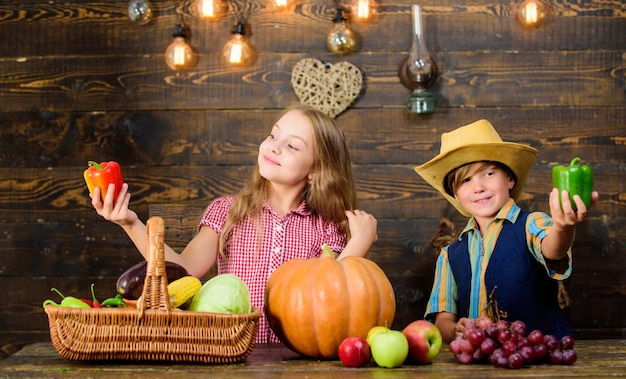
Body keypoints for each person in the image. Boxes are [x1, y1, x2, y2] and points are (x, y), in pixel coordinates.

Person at [90, 104, 378, 343]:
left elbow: (335, 298)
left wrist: (358, 245)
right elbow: (183, 271)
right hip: (230, 353)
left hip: (297, 362)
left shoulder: (326, 227)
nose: (273, 147)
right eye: (273, 135)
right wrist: (130, 223)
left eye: (291, 145)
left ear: (315, 169)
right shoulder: (228, 211)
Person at [414, 119, 598, 343]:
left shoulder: (532, 224)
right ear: (456, 196)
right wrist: (453, 330)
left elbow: (553, 250)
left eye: (488, 174)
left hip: (540, 363)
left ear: (510, 179)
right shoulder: (450, 255)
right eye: (465, 180)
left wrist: (563, 225)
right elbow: (442, 320)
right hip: (479, 367)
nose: (479, 186)